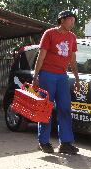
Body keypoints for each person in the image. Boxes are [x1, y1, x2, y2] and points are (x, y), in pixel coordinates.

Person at [32, 10, 80, 155]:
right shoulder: (49, 33)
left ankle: (65, 143)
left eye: (74, 20)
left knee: (65, 108)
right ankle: (44, 142)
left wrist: (77, 79)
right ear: (62, 20)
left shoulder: (72, 37)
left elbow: (72, 60)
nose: (73, 22)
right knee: (46, 108)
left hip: (62, 76)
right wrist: (35, 76)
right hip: (47, 74)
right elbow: (41, 56)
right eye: (71, 19)